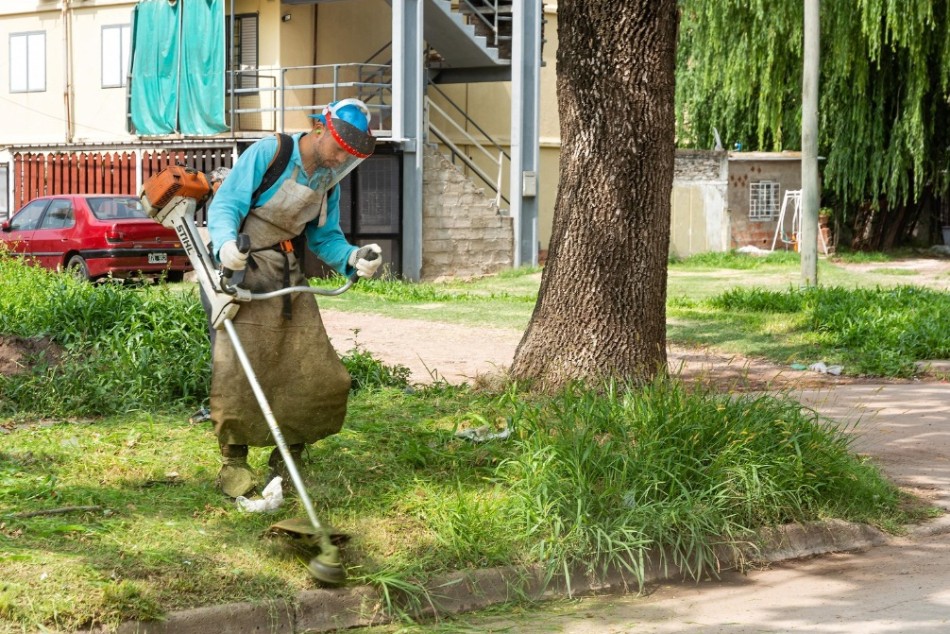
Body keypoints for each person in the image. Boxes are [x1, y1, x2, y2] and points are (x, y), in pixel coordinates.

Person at [205, 98, 383, 498]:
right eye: (338, 149)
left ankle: (290, 453)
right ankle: (233, 460)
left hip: (287, 269)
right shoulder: (273, 152)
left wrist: (353, 258)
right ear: (321, 129)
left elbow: (324, 237)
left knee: (308, 361)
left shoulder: (326, 181)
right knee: (240, 363)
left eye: (348, 156)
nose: (340, 159)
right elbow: (227, 204)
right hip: (243, 266)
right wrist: (225, 244)